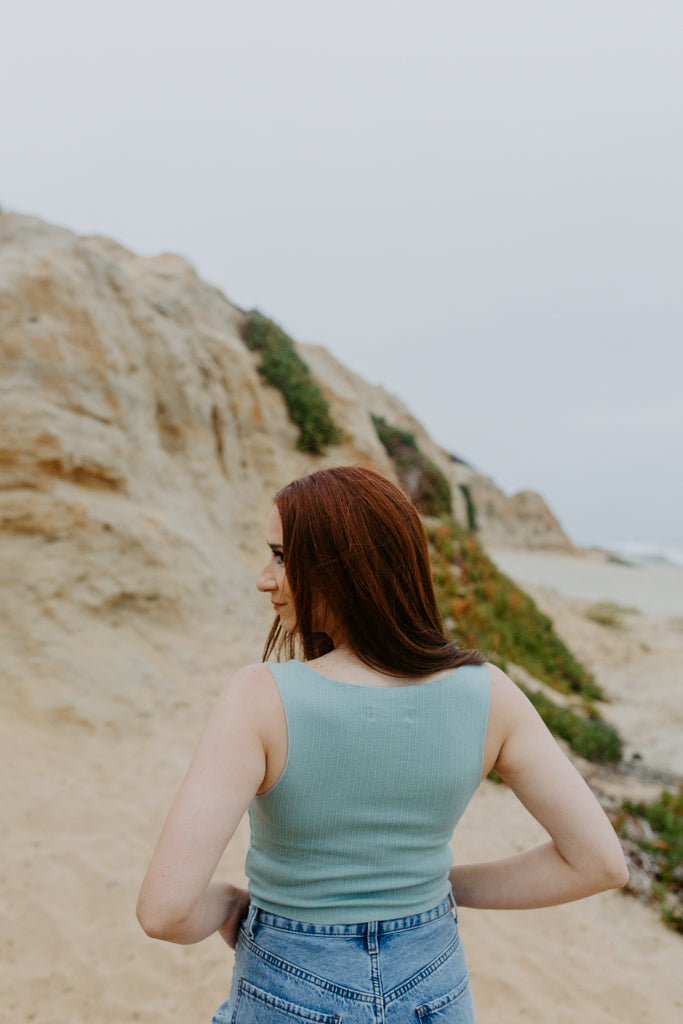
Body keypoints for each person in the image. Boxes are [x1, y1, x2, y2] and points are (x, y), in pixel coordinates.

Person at [137, 466, 628, 1023]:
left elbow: (165, 912)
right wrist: (436, 889)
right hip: (434, 982)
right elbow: (598, 864)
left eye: (281, 555)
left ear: (338, 568)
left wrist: (229, 905)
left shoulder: (260, 697)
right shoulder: (491, 693)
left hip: (291, 979)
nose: (263, 578)